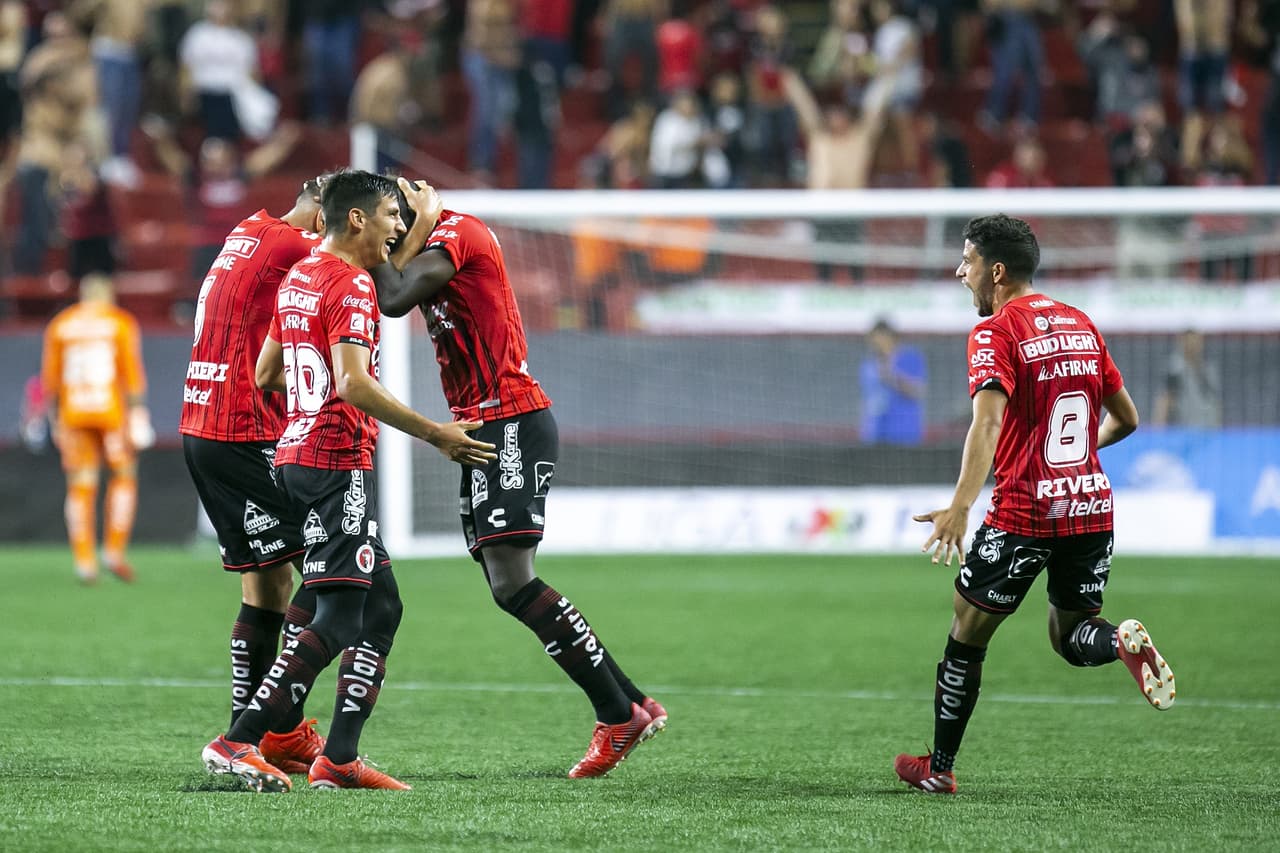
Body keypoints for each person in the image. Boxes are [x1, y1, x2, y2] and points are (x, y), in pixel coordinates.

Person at [201, 170, 495, 793]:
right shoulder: (352, 285)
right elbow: (354, 383)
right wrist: (436, 433)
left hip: (293, 457)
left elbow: (264, 374)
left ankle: (337, 758)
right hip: (335, 463)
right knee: (337, 617)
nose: (399, 228)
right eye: (393, 215)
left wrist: (310, 405)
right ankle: (239, 740)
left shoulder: (300, 276)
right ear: (357, 219)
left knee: (381, 602)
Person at [371, 178, 667, 779]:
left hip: (511, 419)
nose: (388, 233)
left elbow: (394, 298)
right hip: (484, 426)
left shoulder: (459, 234)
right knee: (503, 581)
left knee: (513, 580)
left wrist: (388, 242)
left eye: (389, 220)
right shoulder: (433, 239)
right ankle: (631, 702)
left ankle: (617, 714)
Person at [894, 214, 1175, 795]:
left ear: (995, 271)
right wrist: (1067, 460)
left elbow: (988, 420)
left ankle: (939, 768)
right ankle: (1118, 638)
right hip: (1091, 506)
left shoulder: (996, 331)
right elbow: (1128, 419)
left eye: (967, 261)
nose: (959, 271)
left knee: (966, 632)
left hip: (1025, 510)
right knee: (1073, 636)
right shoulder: (1081, 323)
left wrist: (959, 505)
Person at [181, 177, 330, 780]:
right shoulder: (297, 246)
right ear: (327, 211)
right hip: (244, 433)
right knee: (338, 562)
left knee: (266, 582)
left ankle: (258, 732)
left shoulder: (249, 229)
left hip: (204, 425)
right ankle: (277, 723)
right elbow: (357, 275)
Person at [40, 274, 153, 584]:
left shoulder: (61, 324)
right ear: (108, 295)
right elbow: (131, 372)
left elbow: (50, 380)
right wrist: (139, 413)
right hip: (110, 412)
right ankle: (114, 551)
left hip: (73, 413)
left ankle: (84, 561)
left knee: (81, 484)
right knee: (124, 475)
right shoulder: (119, 322)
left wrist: (53, 419)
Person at [859, 318, 926, 445]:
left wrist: (891, 377)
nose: (876, 343)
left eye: (879, 338)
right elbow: (867, 399)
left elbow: (918, 391)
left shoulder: (910, 358)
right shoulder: (868, 365)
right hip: (874, 435)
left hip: (904, 435)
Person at [1152, 329, 1222, 428]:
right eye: (1189, 341)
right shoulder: (1175, 369)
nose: (1193, 345)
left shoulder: (1208, 369)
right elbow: (1165, 400)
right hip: (1184, 430)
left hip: (1208, 429)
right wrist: (1158, 429)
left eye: (1196, 341)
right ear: (1182, 343)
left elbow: (1215, 401)